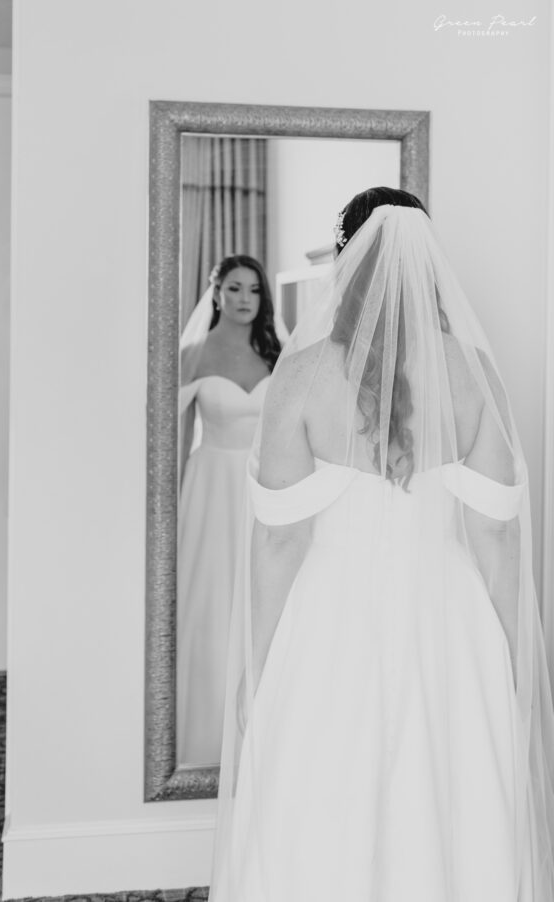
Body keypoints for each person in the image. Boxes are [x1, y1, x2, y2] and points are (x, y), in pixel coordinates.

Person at [210, 188, 554, 901]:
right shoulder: (473, 371)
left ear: (346, 262)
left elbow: (279, 543)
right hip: (449, 624)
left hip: (329, 625)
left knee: (318, 809)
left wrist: (256, 669)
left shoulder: (300, 375)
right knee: (453, 806)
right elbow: (496, 533)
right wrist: (518, 661)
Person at [177, 254, 285, 767]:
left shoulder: (276, 353)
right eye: (236, 288)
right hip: (211, 487)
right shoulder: (193, 354)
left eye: (255, 290)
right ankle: (206, 732)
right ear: (216, 292)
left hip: (262, 486)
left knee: (260, 595)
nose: (246, 299)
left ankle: (262, 730)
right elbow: (173, 438)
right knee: (212, 597)